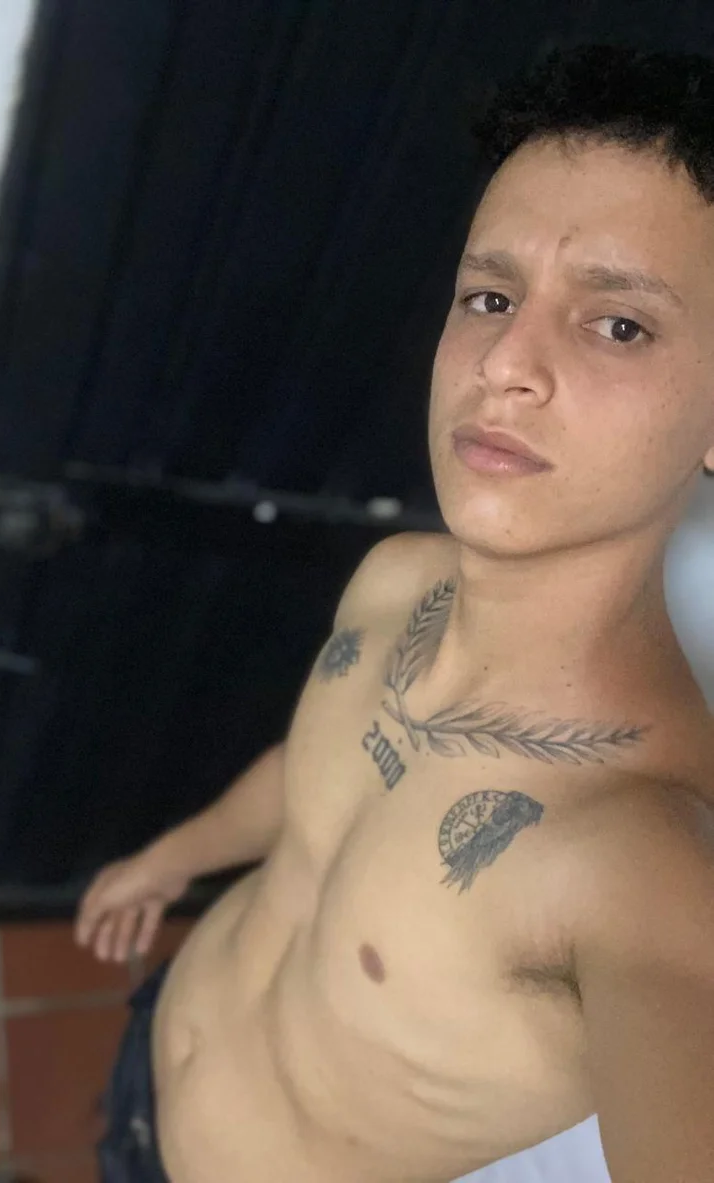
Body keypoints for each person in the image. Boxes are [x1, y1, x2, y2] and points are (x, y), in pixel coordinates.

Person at [75, 44, 714, 1183]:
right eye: (491, 297)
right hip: (149, 1048)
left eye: (617, 324)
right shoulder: (396, 580)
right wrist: (175, 856)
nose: (504, 363)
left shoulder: (645, 869)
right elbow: (325, 760)